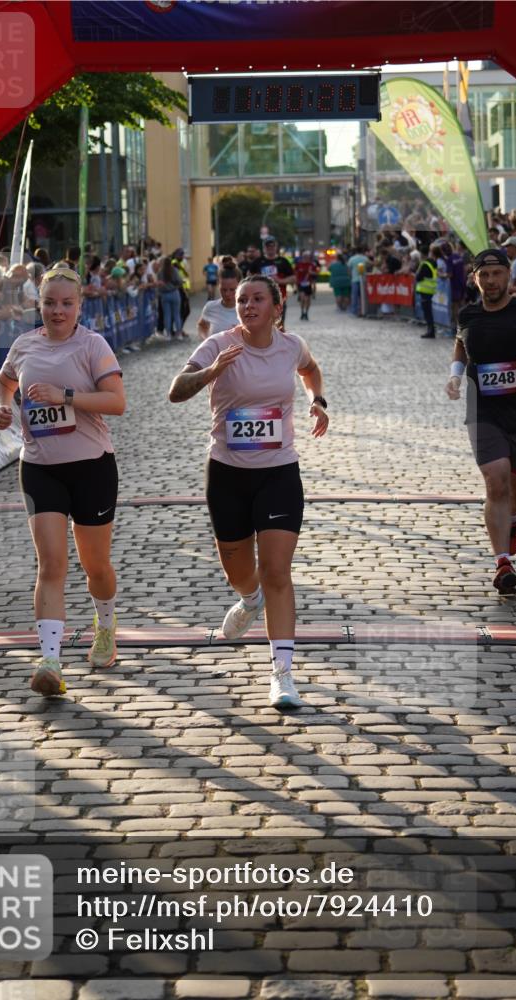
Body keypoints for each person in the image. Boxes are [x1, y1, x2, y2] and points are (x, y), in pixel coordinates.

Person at [168, 274, 329, 710]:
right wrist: (211, 371)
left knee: (277, 570)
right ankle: (248, 597)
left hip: (279, 472)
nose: (248, 306)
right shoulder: (218, 345)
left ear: (277, 306)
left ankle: (283, 674)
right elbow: (175, 391)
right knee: (240, 570)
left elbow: (310, 370)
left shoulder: (291, 346)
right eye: (242, 300)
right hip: (227, 473)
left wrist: (318, 400)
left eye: (258, 298)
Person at [0, 263, 126, 696]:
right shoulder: (24, 344)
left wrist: (64, 396)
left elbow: (117, 402)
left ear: (79, 306)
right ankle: (49, 661)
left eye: (66, 303)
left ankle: (105, 625)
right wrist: (3, 407)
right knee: (51, 564)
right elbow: (2, 383)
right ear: (39, 303)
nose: (57, 311)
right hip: (40, 467)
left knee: (95, 566)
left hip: (91, 466)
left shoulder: (93, 345)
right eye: (50, 303)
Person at [445, 248, 516, 595]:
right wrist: (455, 376)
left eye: (497, 275)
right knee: (496, 480)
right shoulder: (468, 314)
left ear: (509, 275)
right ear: (475, 279)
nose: (490, 281)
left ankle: (514, 518)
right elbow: (461, 344)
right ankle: (502, 560)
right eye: (484, 276)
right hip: (482, 411)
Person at [249, 237, 294, 330]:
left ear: (276, 247)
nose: (270, 248)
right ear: (264, 248)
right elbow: (248, 278)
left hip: (279, 299)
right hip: (261, 300)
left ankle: (280, 343)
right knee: (263, 325)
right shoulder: (258, 262)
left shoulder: (283, 261)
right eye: (268, 246)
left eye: (272, 246)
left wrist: (280, 281)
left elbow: (293, 278)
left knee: (279, 326)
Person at [197, 256, 240, 339]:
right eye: (223, 290)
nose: (227, 294)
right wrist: (207, 341)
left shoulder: (247, 309)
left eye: (232, 290)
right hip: (217, 352)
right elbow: (201, 325)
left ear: (239, 286)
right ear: (218, 285)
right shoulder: (210, 307)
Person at [157, 255, 184, 340]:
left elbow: (159, 284)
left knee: (167, 315)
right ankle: (179, 334)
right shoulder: (174, 270)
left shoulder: (160, 272)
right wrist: (175, 286)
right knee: (176, 314)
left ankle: (168, 334)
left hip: (164, 295)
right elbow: (180, 281)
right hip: (174, 293)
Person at [416, 244, 440, 338]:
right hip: (430, 290)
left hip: (425, 290)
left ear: (422, 254)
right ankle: (431, 330)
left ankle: (430, 331)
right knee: (428, 312)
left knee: (427, 312)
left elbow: (419, 277)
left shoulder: (425, 264)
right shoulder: (433, 262)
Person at [294, 250, 320, 320]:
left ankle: (306, 313)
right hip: (300, 284)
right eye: (305, 256)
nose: (306, 258)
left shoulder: (312, 265)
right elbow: (295, 274)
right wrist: (295, 285)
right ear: (302, 257)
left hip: (308, 284)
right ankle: (302, 312)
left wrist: (312, 272)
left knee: (308, 300)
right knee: (303, 299)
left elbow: (316, 273)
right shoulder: (299, 264)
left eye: (307, 257)